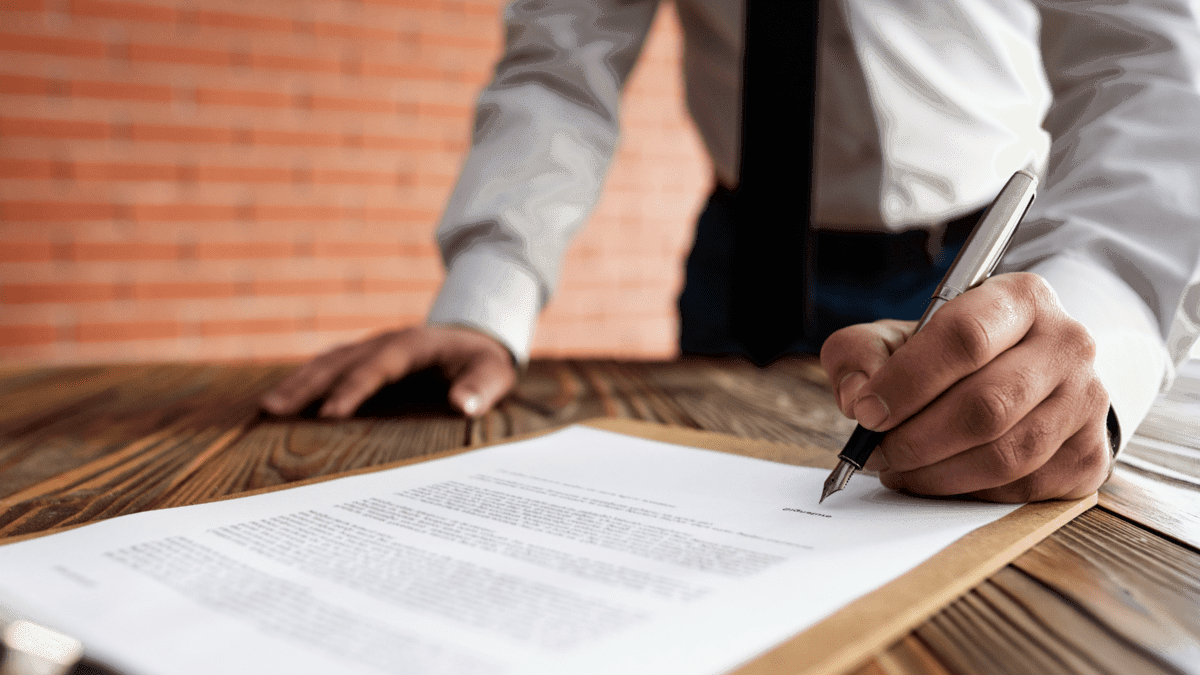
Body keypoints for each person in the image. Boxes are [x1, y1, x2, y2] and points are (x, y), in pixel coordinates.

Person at [261, 0, 1200, 503]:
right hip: (740, 267)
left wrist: (1101, 305)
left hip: (984, 274)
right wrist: (484, 298)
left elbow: (1151, 59)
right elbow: (561, 62)